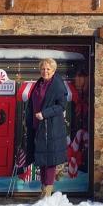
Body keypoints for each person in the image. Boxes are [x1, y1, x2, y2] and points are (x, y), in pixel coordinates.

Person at [26, 58, 68, 197]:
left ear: (54, 70)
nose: (45, 71)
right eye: (43, 69)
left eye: (48, 69)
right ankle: (43, 190)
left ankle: (47, 194)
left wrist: (44, 114)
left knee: (50, 162)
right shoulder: (39, 84)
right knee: (42, 161)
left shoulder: (57, 85)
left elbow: (62, 106)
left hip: (51, 128)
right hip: (38, 128)